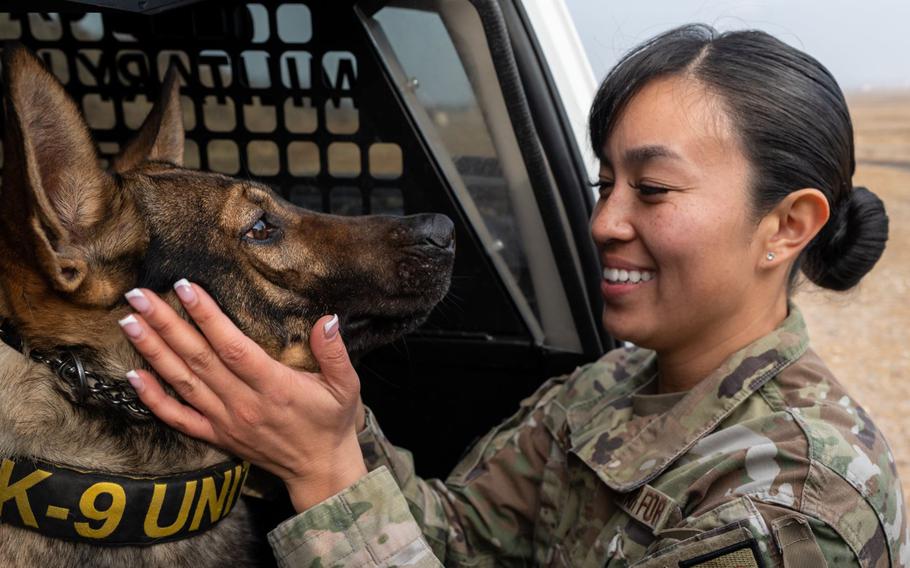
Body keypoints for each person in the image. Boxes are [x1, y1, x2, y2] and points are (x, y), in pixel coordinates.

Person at [118, 25, 906, 567]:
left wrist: (324, 473)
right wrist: (329, 422)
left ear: (787, 226)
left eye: (654, 189)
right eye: (606, 183)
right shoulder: (613, 386)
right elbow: (459, 543)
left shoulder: (798, 505)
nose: (604, 221)